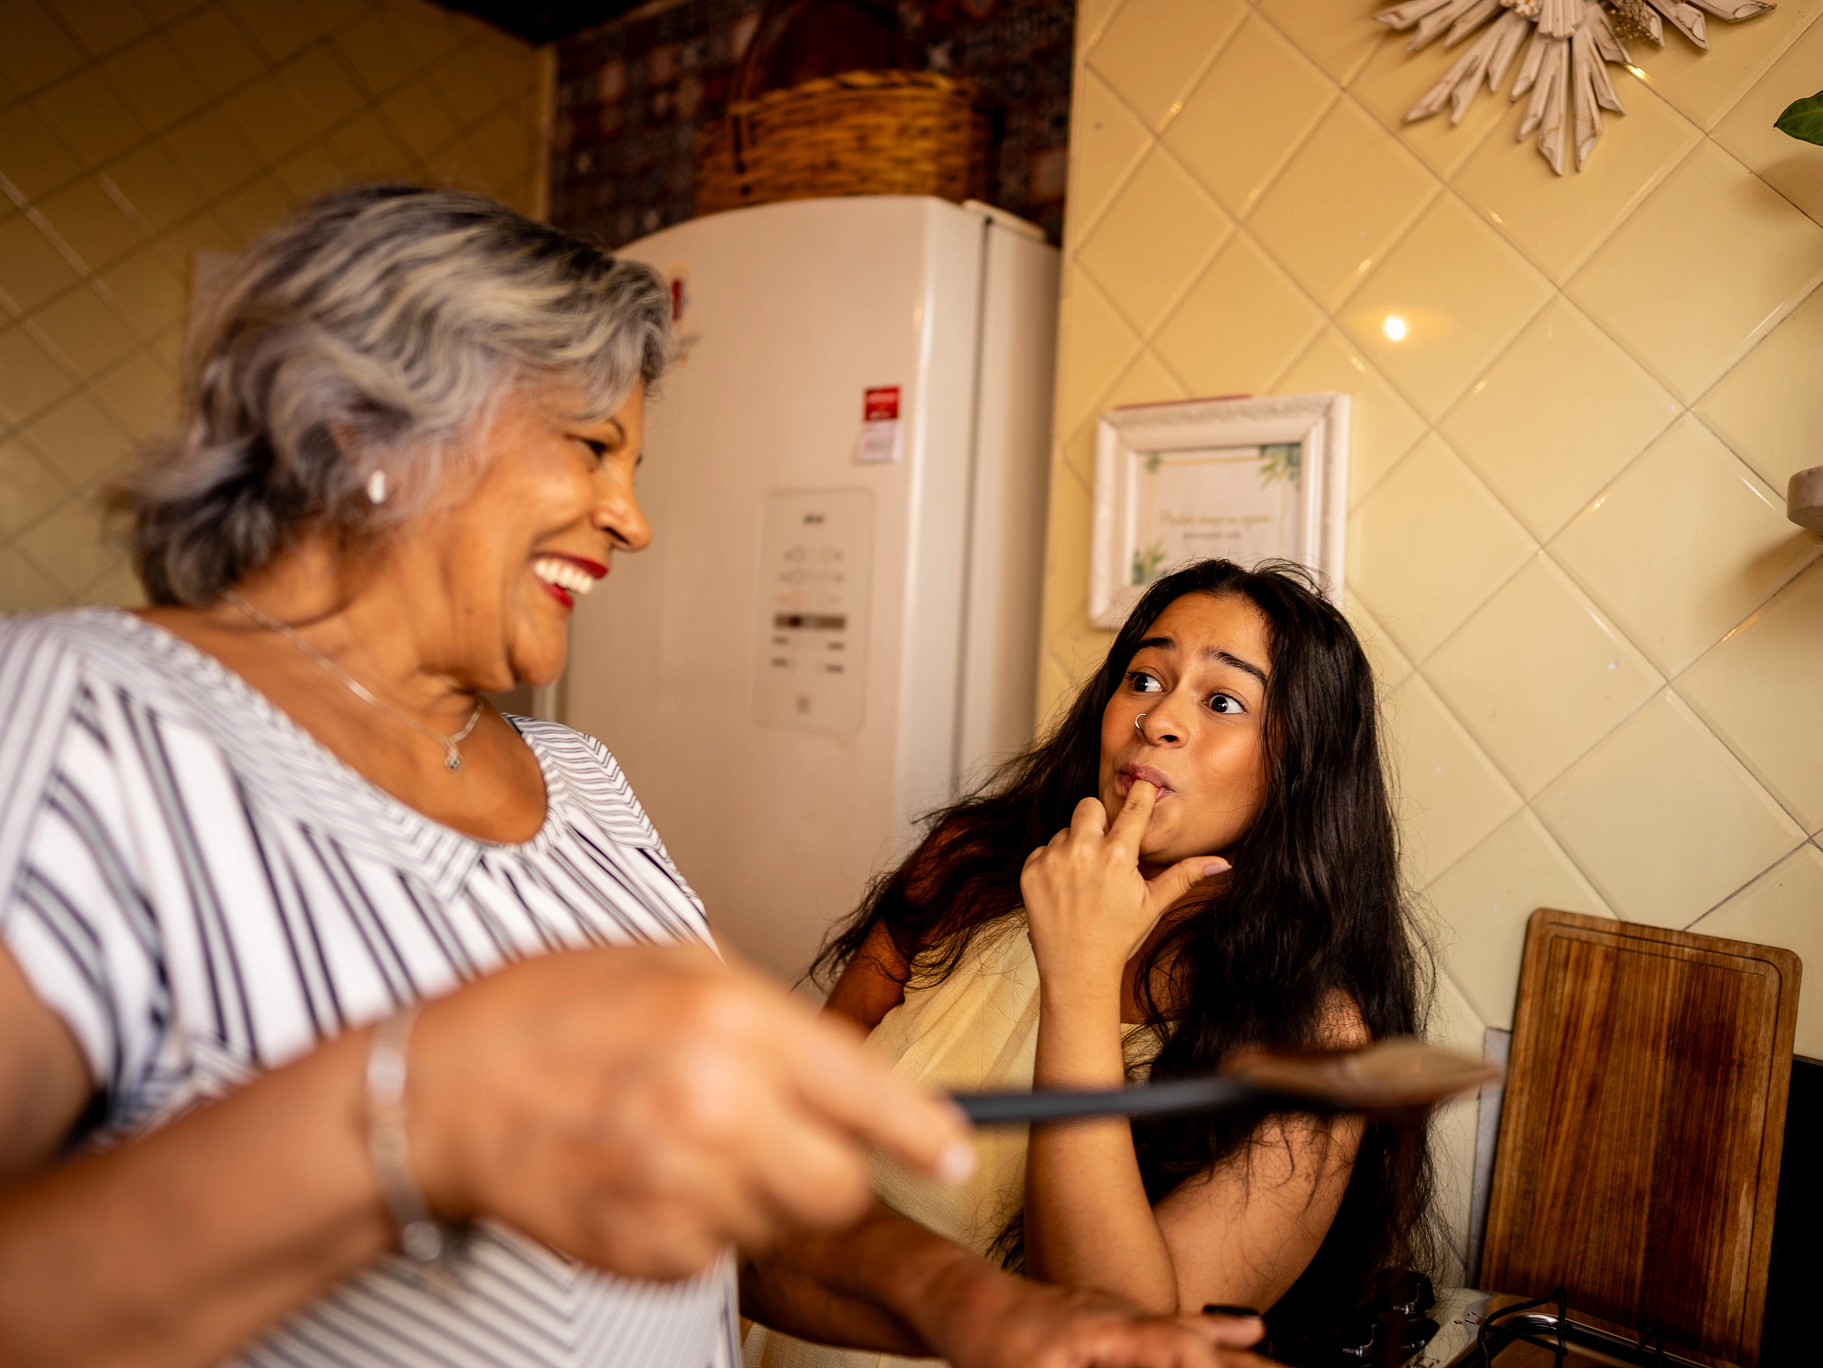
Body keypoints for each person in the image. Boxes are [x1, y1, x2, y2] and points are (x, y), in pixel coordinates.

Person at [0, 185, 1265, 1368]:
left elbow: (737, 1192)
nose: (631, 517)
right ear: (359, 432)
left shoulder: (581, 781)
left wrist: (979, 1310)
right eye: (592, 447)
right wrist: (417, 1112)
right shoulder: (84, 716)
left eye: (635, 468)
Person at [759, 561, 1432, 1368]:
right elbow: (788, 1136)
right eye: (1144, 679)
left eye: (1222, 701)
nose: (1157, 720)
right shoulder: (969, 868)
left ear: (1300, 769)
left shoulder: (1320, 1038)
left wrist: (1078, 978)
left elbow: (1127, 1345)